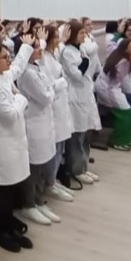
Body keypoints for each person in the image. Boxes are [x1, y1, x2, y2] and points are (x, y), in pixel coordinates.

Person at [0, 39, 36, 251]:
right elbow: (10, 115)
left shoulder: (3, 76)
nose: (9, 59)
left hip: (12, 139)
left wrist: (27, 45)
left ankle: (9, 226)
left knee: (11, 185)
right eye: (4, 57)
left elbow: (19, 65)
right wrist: (20, 96)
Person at [16, 38, 62, 226]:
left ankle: (39, 200)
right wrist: (53, 88)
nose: (40, 49)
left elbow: (48, 90)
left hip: (44, 122)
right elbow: (45, 97)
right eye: (35, 48)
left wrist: (51, 88)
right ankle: (28, 205)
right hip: (34, 124)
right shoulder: (27, 73)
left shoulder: (37, 67)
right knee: (34, 167)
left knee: (44, 163)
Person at [60, 21, 101, 184]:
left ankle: (84, 166)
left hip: (85, 95)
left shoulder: (81, 49)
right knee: (77, 136)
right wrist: (85, 62)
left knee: (86, 134)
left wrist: (85, 61)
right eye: (82, 33)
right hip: (75, 97)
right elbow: (76, 75)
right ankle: (76, 169)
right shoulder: (67, 52)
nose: (85, 36)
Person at [39, 27, 75, 202]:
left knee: (60, 146)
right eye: (54, 37)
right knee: (54, 147)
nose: (58, 40)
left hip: (61, 104)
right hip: (53, 104)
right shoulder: (43, 57)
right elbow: (48, 84)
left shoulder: (54, 53)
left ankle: (52, 179)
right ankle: (49, 183)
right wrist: (62, 81)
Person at [96, 39, 131, 151]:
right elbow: (116, 81)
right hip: (109, 89)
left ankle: (125, 139)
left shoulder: (120, 57)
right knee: (126, 114)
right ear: (126, 49)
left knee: (129, 114)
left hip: (110, 87)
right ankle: (117, 141)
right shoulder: (123, 62)